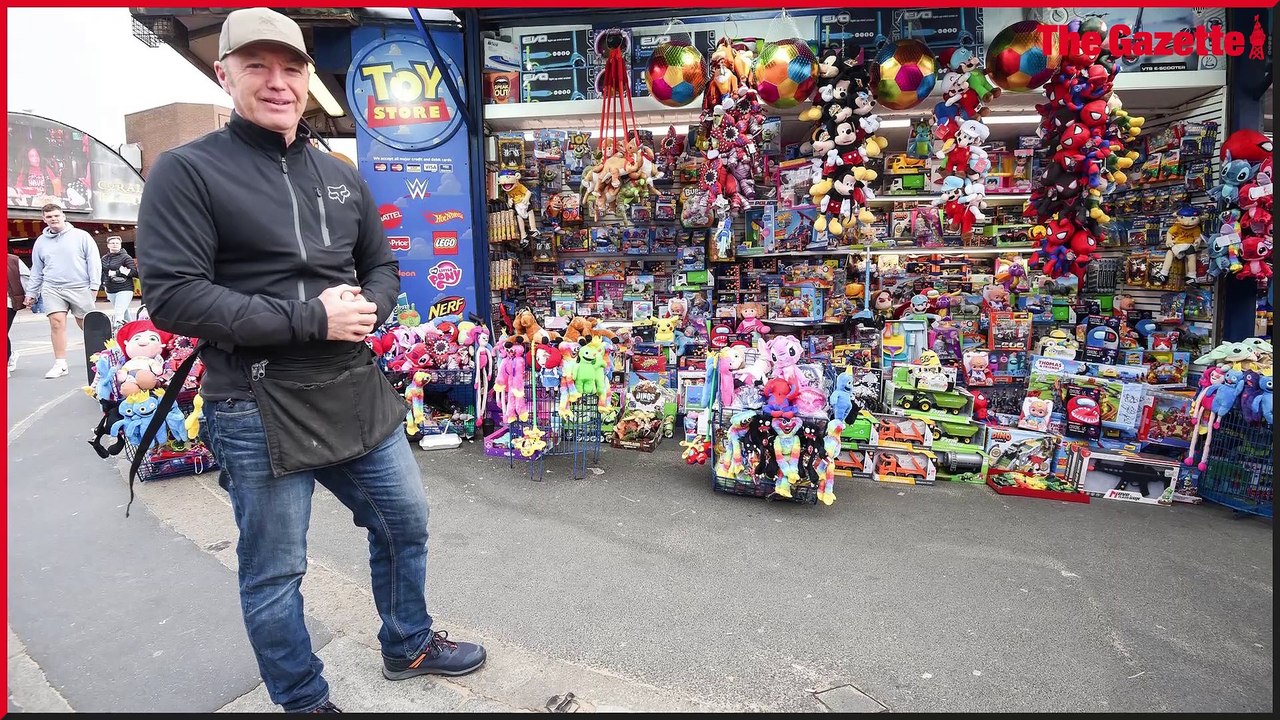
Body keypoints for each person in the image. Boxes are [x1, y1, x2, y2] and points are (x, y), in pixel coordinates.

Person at [134, 8, 485, 714]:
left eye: (291, 68)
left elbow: (381, 266)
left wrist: (368, 308)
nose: (278, 82)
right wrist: (312, 319)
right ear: (223, 74)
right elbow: (173, 297)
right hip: (254, 403)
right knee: (276, 570)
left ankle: (408, 643)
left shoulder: (339, 173)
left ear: (306, 77)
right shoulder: (186, 171)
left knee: (404, 521)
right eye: (257, 66)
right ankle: (302, 699)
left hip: (352, 388)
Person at [24, 203, 101, 379]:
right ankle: (60, 364)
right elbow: (37, 269)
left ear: (63, 216)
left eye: (56, 215)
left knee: (88, 325)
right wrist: (31, 293)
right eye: (49, 217)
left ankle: (102, 358)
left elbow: (94, 262)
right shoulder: (40, 242)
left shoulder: (81, 236)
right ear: (44, 219)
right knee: (56, 323)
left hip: (80, 286)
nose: (53, 219)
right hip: (52, 287)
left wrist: (94, 287)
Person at [100, 235, 138, 327]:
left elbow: (134, 273)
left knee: (118, 313)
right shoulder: (104, 258)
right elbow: (102, 272)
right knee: (124, 312)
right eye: (112, 243)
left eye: (117, 243)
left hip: (125, 289)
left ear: (120, 245)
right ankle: (131, 329)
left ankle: (117, 330)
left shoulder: (126, 257)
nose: (115, 245)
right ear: (108, 245)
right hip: (110, 289)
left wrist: (118, 272)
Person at [8, 253, 31, 376]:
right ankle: (10, 355)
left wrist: (30, 295)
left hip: (8, 303)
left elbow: (27, 278)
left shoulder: (13, 260)